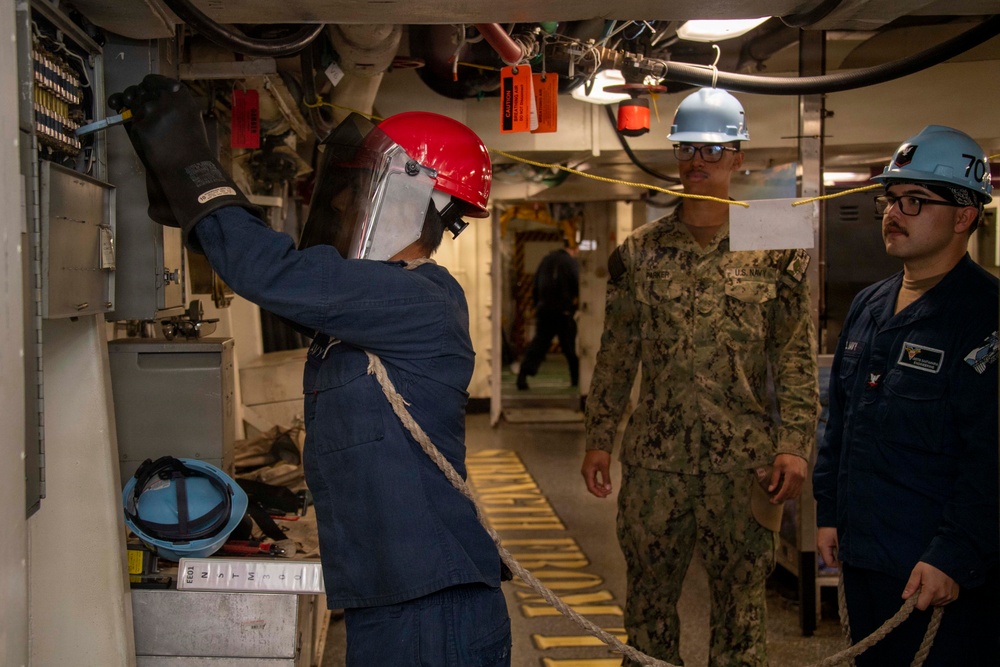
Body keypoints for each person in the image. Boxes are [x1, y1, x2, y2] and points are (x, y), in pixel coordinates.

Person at [109, 75, 511, 667]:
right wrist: (186, 200)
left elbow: (274, 275)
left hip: (432, 606)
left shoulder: (419, 300)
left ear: (405, 196)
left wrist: (193, 164)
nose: (345, 206)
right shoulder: (370, 303)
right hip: (393, 598)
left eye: (360, 191)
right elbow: (283, 289)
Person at [580, 87, 819, 667]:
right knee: (648, 612)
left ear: (738, 156)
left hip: (743, 467)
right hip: (656, 465)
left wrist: (795, 444)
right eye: (687, 149)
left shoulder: (773, 248)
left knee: (741, 616)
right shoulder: (641, 252)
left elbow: (794, 355)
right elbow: (617, 352)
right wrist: (600, 437)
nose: (697, 162)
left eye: (713, 150)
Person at [813, 125, 999, 666]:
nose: (894, 212)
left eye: (915, 200)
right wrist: (830, 512)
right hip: (868, 555)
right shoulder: (870, 306)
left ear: (964, 215)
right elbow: (842, 425)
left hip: (942, 572)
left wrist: (954, 554)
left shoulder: (983, 317)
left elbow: (990, 457)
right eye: (891, 199)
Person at [517, 240, 580, 390]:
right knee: (569, 348)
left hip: (544, 310)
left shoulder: (546, 260)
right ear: (573, 248)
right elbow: (578, 283)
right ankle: (576, 380)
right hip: (563, 312)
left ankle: (522, 377)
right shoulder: (570, 262)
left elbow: (535, 285)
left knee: (538, 345)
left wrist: (538, 304)